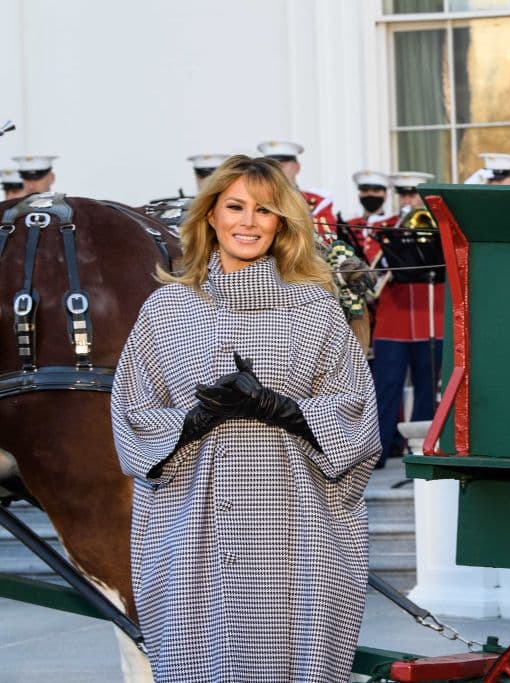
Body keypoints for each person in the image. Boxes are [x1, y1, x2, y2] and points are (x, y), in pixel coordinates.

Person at [110, 155, 380, 682]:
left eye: (265, 210)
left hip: (297, 533)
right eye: (235, 206)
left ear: (283, 222)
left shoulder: (315, 309)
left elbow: (356, 411)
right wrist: (191, 423)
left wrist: (287, 412)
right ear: (210, 215)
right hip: (192, 535)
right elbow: (132, 413)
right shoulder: (166, 310)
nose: (248, 222)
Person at [371, 170, 443, 466]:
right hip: (393, 322)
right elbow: (371, 269)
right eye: (403, 194)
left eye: (414, 194)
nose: (409, 200)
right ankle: (378, 451)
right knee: (386, 388)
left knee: (428, 386)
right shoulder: (384, 228)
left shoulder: (437, 226)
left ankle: (422, 450)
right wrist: (396, 235)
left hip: (431, 317)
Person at [256, 140, 337, 247]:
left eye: (281, 164)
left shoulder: (317, 202)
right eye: (271, 165)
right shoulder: (255, 198)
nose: (276, 170)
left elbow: (326, 241)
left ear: (297, 167)